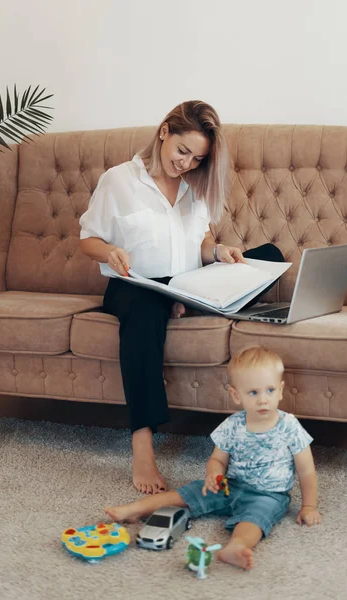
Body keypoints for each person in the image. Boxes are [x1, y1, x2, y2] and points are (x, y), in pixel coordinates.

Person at [79, 101, 284, 495]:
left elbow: (202, 241)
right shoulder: (118, 181)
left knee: (269, 256)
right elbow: (87, 238)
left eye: (197, 157)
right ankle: (142, 444)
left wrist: (219, 252)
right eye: (182, 151)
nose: (186, 163)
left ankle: (187, 301)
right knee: (144, 313)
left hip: (187, 280)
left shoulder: (196, 185)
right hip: (135, 284)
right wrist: (109, 253)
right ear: (164, 132)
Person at [105, 346, 321, 571]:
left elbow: (306, 470)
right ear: (236, 395)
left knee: (254, 519)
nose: (263, 400)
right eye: (253, 393)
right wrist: (214, 474)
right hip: (231, 486)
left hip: (269, 494)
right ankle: (135, 509)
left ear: (281, 390)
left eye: (269, 390)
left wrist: (308, 506)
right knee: (188, 492)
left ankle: (236, 546)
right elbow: (218, 460)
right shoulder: (232, 425)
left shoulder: (290, 426)